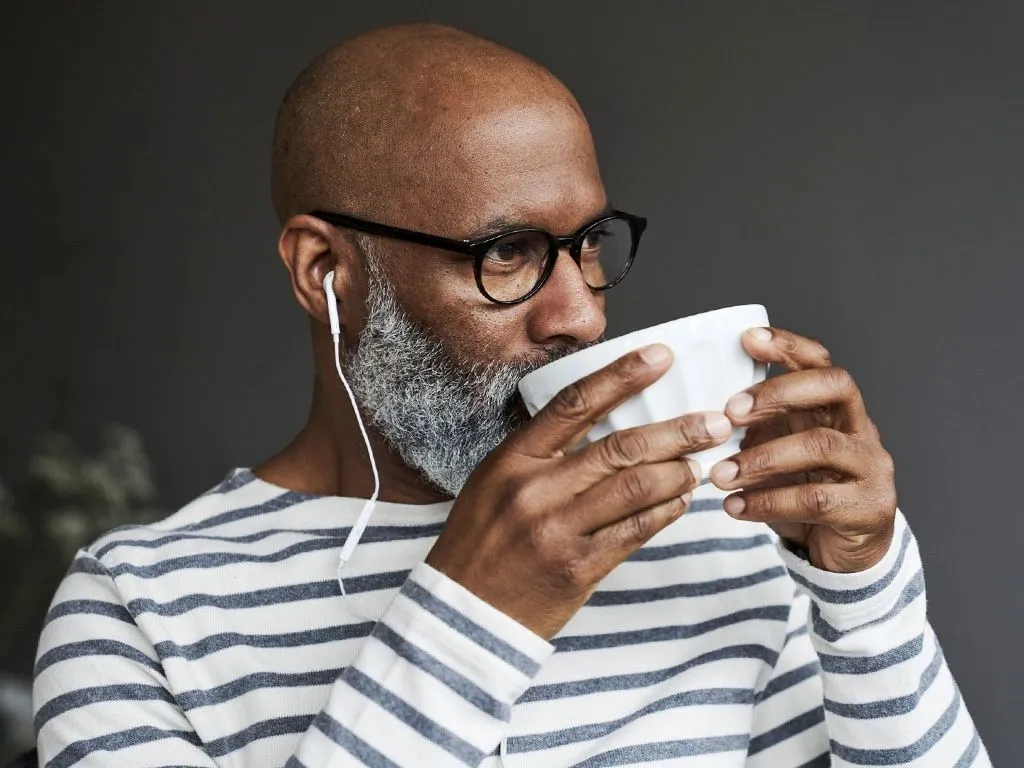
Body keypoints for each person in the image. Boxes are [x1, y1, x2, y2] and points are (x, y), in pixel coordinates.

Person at [32, 22, 990, 768]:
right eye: (507, 253)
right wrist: (477, 609)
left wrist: (865, 591)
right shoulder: (137, 607)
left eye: (589, 246)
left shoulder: (717, 536)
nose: (578, 315)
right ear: (327, 270)